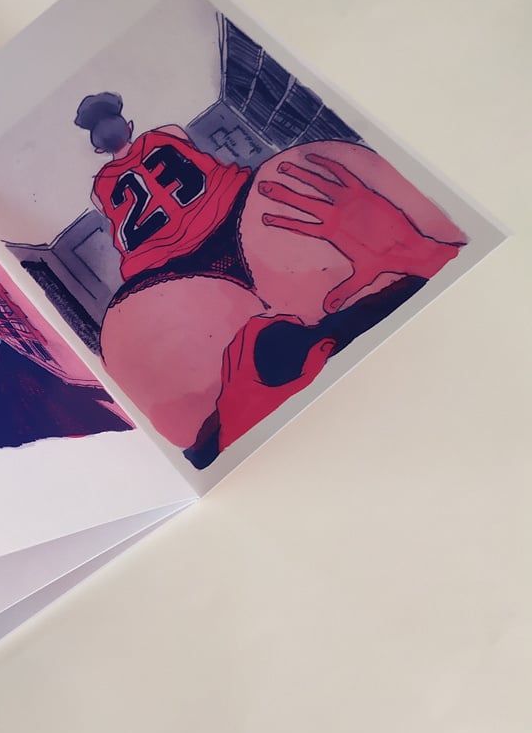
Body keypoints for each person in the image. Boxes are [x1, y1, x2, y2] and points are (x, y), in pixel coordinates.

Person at [74, 92, 467, 467]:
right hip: (239, 211)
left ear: (97, 149)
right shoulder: (167, 134)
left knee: (180, 362)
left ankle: (260, 373)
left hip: (168, 271)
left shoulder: (100, 187)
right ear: (129, 125)